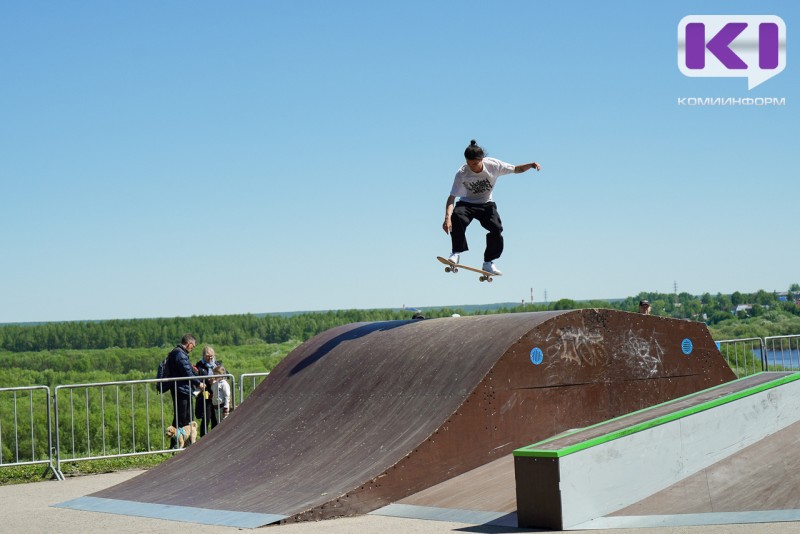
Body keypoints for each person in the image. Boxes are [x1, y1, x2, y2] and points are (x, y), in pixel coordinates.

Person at [443, 140, 541, 275]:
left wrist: (530, 165)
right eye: (469, 163)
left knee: (496, 228)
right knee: (457, 217)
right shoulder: (462, 173)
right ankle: (456, 253)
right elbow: (451, 198)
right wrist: (447, 218)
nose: (471, 167)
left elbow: (516, 169)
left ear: (481, 159)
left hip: (486, 204)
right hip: (467, 203)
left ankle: (488, 263)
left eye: (475, 164)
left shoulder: (493, 165)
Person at [166, 334, 204, 430]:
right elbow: (187, 372)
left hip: (181, 388)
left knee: (185, 417)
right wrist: (198, 383)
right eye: (193, 346)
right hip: (181, 389)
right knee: (182, 418)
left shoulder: (177, 352)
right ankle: (178, 442)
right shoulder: (180, 354)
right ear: (189, 344)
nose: (193, 348)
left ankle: (183, 441)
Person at [195, 345, 218, 437]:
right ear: (203, 356)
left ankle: (215, 437)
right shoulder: (199, 366)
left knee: (215, 418)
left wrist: (217, 378)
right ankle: (203, 438)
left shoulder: (217, 365)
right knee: (206, 417)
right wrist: (208, 381)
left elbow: (225, 373)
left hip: (216, 394)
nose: (210, 358)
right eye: (208, 356)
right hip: (205, 394)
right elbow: (196, 379)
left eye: (212, 356)